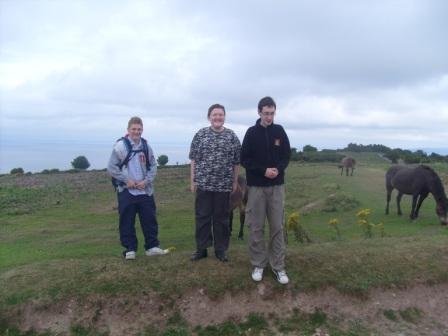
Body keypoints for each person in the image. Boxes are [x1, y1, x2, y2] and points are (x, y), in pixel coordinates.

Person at [241, 96, 291, 284]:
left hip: (277, 187)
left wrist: (278, 169)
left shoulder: (279, 131)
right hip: (256, 188)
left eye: (272, 113)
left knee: (277, 227)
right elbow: (245, 159)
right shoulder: (251, 133)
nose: (269, 117)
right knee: (256, 227)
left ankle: (278, 267)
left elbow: (286, 155)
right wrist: (263, 171)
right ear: (259, 112)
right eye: (266, 113)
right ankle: (258, 265)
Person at [107, 116, 168, 260]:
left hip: (144, 191)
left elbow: (153, 166)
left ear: (142, 130)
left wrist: (146, 181)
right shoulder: (120, 146)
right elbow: (111, 167)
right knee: (127, 221)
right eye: (134, 129)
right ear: (128, 130)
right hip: (126, 191)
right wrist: (125, 180)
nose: (136, 132)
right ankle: (130, 249)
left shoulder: (146, 146)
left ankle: (152, 247)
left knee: (149, 219)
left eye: (139, 129)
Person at [189, 103, 241, 262]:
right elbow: (193, 159)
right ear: (209, 117)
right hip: (204, 184)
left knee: (222, 219)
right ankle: (202, 249)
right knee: (202, 217)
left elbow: (236, 161)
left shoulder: (232, 136)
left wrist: (235, 181)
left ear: (224, 117)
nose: (218, 117)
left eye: (220, 115)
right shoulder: (201, 134)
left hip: (223, 186)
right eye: (215, 115)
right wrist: (193, 180)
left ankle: (221, 250)